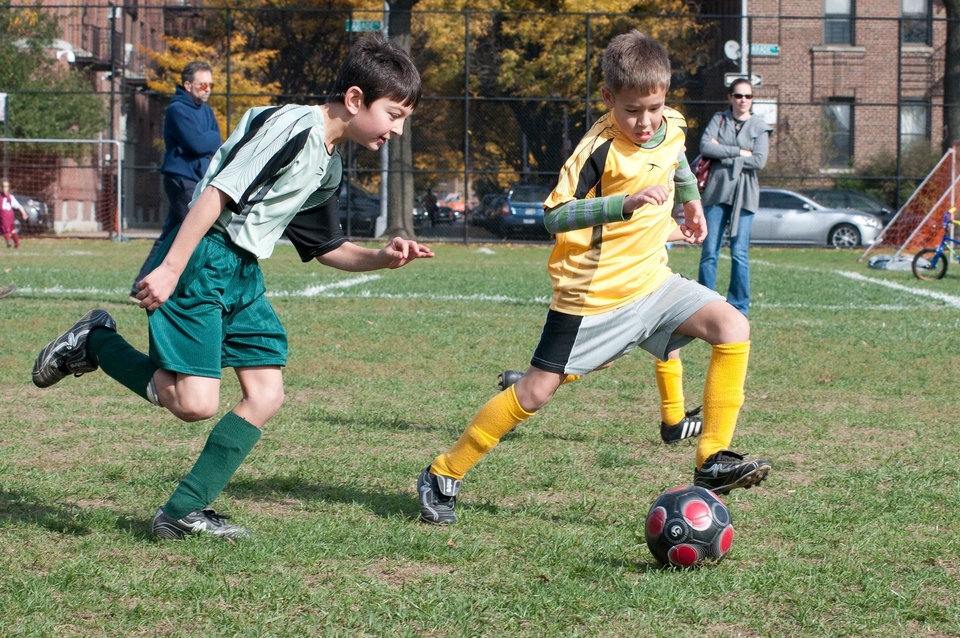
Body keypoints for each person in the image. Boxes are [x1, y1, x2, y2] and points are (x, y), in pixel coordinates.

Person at [33, 33, 433, 541]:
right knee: (194, 404)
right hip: (204, 257)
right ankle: (95, 342)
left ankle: (182, 510)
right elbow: (217, 194)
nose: (397, 128)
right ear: (356, 99)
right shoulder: (292, 126)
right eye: (394, 114)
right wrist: (174, 266)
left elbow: (328, 247)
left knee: (266, 394)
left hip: (242, 271)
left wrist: (383, 258)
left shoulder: (328, 164)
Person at [417, 30, 770, 525]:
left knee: (733, 327)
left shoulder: (671, 124)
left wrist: (690, 202)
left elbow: (678, 162)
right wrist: (621, 205)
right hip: (591, 297)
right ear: (608, 99)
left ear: (664, 97)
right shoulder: (596, 151)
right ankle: (442, 472)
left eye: (653, 106)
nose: (644, 122)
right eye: (631, 110)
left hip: (654, 282)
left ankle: (712, 458)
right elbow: (554, 215)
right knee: (535, 392)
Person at [130, 61, 222, 300]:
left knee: (171, 232)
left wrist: (209, 138)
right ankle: (194, 288)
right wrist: (209, 138)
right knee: (199, 230)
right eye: (203, 84)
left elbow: (216, 139)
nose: (207, 88)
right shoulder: (177, 109)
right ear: (188, 85)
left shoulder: (207, 111)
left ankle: (139, 287)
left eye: (210, 84)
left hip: (197, 178)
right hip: (182, 179)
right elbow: (198, 143)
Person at [696, 78, 772, 316]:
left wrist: (723, 152)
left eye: (748, 96)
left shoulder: (760, 126)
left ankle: (739, 306)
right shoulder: (719, 119)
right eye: (738, 96)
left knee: (739, 253)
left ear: (752, 99)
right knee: (710, 252)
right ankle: (702, 302)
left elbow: (759, 161)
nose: (743, 100)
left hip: (745, 196)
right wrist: (739, 152)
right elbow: (706, 147)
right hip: (716, 194)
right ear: (730, 97)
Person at [1, 180, 28, 249]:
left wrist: (24, 213)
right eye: (4, 186)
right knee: (13, 230)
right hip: (11, 215)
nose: (5, 188)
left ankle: (8, 241)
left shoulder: (5, 197)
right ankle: (17, 244)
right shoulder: (11, 197)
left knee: (5, 230)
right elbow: (19, 206)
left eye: (6, 187)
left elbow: (18, 205)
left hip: (4, 216)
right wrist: (24, 213)